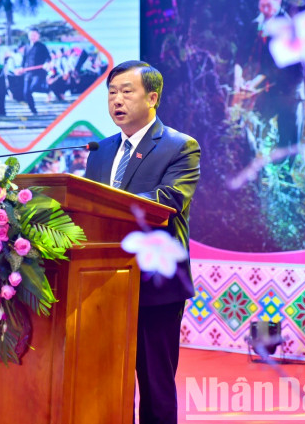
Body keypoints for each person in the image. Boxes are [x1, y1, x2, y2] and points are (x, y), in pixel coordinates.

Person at [84, 60, 200, 424]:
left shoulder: (180, 146)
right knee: (106, 380)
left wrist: (107, 204)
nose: (116, 100)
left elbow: (169, 200)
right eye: (111, 93)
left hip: (155, 284)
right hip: (102, 283)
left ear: (152, 98)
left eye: (126, 91)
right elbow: (87, 209)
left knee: (155, 384)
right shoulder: (100, 151)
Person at [233, 0, 304, 153]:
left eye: (269, 5)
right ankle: (258, 168)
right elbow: (241, 54)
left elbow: (275, 66)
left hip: (290, 89)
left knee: (288, 142)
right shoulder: (256, 23)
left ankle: (285, 173)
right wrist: (238, 79)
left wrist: (253, 83)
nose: (265, 9)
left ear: (278, 1)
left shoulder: (287, 27)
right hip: (267, 88)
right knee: (256, 126)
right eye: (261, 4)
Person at [16, 27, 50, 115]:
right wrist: (21, 68)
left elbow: (48, 58)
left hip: (39, 72)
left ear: (38, 36)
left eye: (35, 35)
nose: (33, 37)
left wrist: (47, 63)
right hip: (28, 73)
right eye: (31, 35)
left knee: (34, 87)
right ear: (28, 36)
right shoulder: (26, 47)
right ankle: (33, 110)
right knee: (26, 93)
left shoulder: (42, 46)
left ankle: (48, 89)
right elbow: (24, 60)